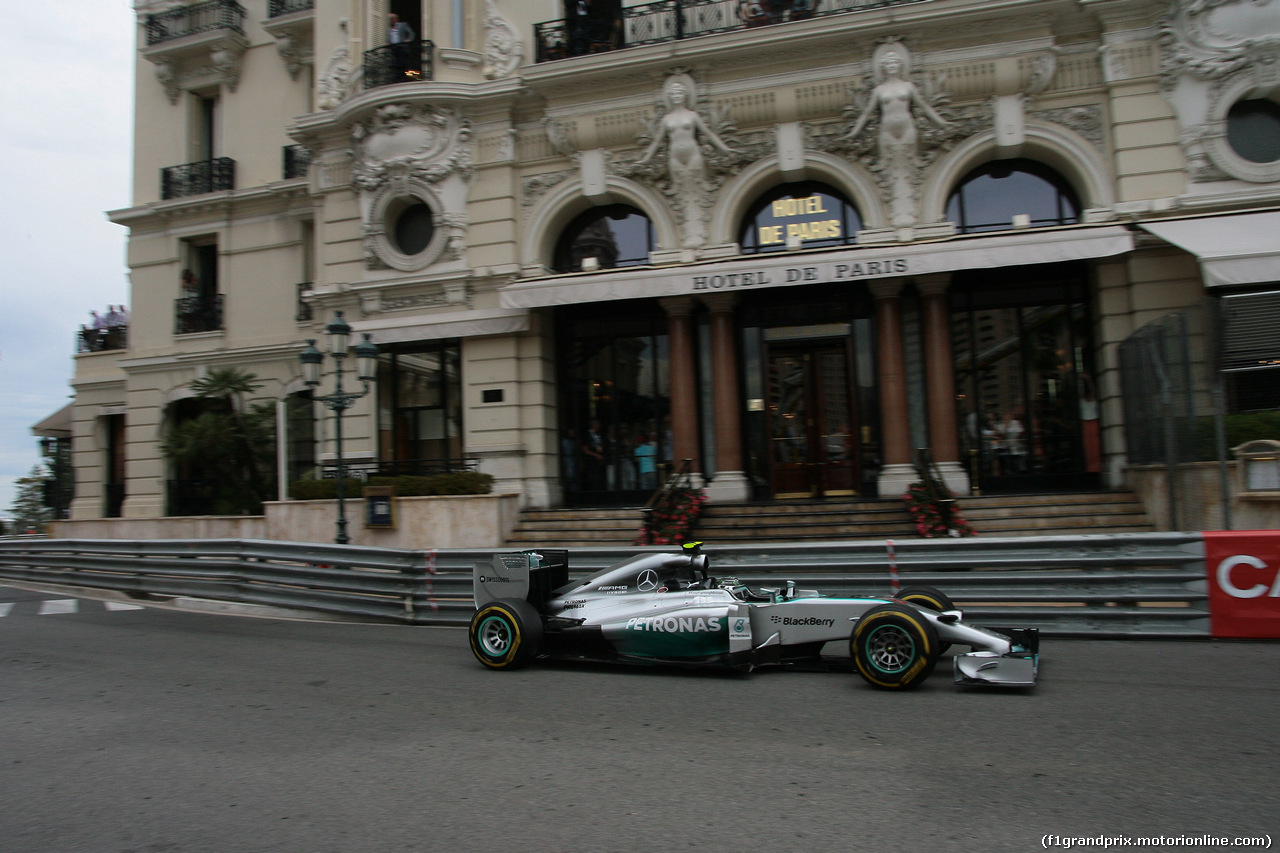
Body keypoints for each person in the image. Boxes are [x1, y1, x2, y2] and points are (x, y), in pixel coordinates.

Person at [637, 77, 735, 184]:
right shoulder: (667, 119)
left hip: (692, 153)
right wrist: (646, 159)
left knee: (698, 183)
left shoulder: (692, 115)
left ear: (685, 95)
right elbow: (657, 141)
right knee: (678, 185)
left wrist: (725, 149)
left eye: (679, 93)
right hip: (675, 156)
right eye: (674, 94)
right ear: (670, 97)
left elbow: (708, 133)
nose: (677, 96)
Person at [387, 13, 416, 79]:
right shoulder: (389, 29)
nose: (391, 20)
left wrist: (409, 39)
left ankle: (408, 77)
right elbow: (389, 38)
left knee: (404, 63)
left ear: (397, 19)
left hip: (401, 46)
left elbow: (412, 33)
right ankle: (396, 77)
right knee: (394, 63)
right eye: (390, 19)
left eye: (393, 19)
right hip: (393, 47)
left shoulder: (403, 25)